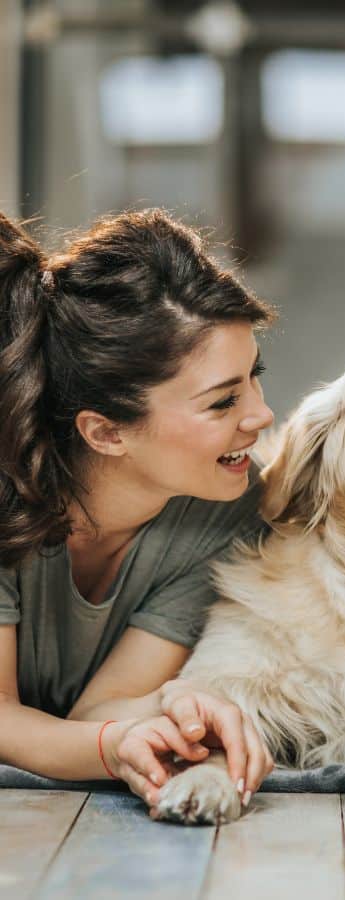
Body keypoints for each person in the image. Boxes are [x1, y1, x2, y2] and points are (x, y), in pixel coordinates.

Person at [0, 209, 276, 812]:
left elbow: (101, 710)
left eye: (254, 378)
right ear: (105, 432)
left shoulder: (225, 512)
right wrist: (112, 744)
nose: (261, 416)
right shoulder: (7, 493)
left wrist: (175, 707)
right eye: (223, 401)